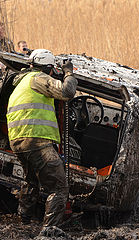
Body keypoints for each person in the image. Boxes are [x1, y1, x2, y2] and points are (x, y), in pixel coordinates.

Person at [6, 49, 77, 229]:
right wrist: (69, 73)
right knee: (59, 188)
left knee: (31, 182)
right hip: (36, 140)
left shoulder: (21, 82)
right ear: (48, 69)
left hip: (18, 141)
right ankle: (49, 232)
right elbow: (67, 92)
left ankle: (23, 223)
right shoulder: (39, 78)